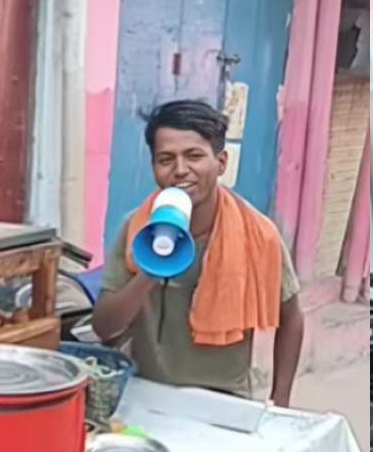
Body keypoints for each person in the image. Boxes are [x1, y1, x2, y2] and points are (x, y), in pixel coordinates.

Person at [93, 100, 306, 406]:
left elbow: (292, 317)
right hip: (147, 393)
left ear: (221, 162)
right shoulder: (136, 229)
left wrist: (280, 401)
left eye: (194, 156)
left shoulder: (259, 233)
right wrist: (150, 270)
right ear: (153, 166)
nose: (180, 170)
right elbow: (104, 326)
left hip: (226, 399)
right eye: (166, 159)